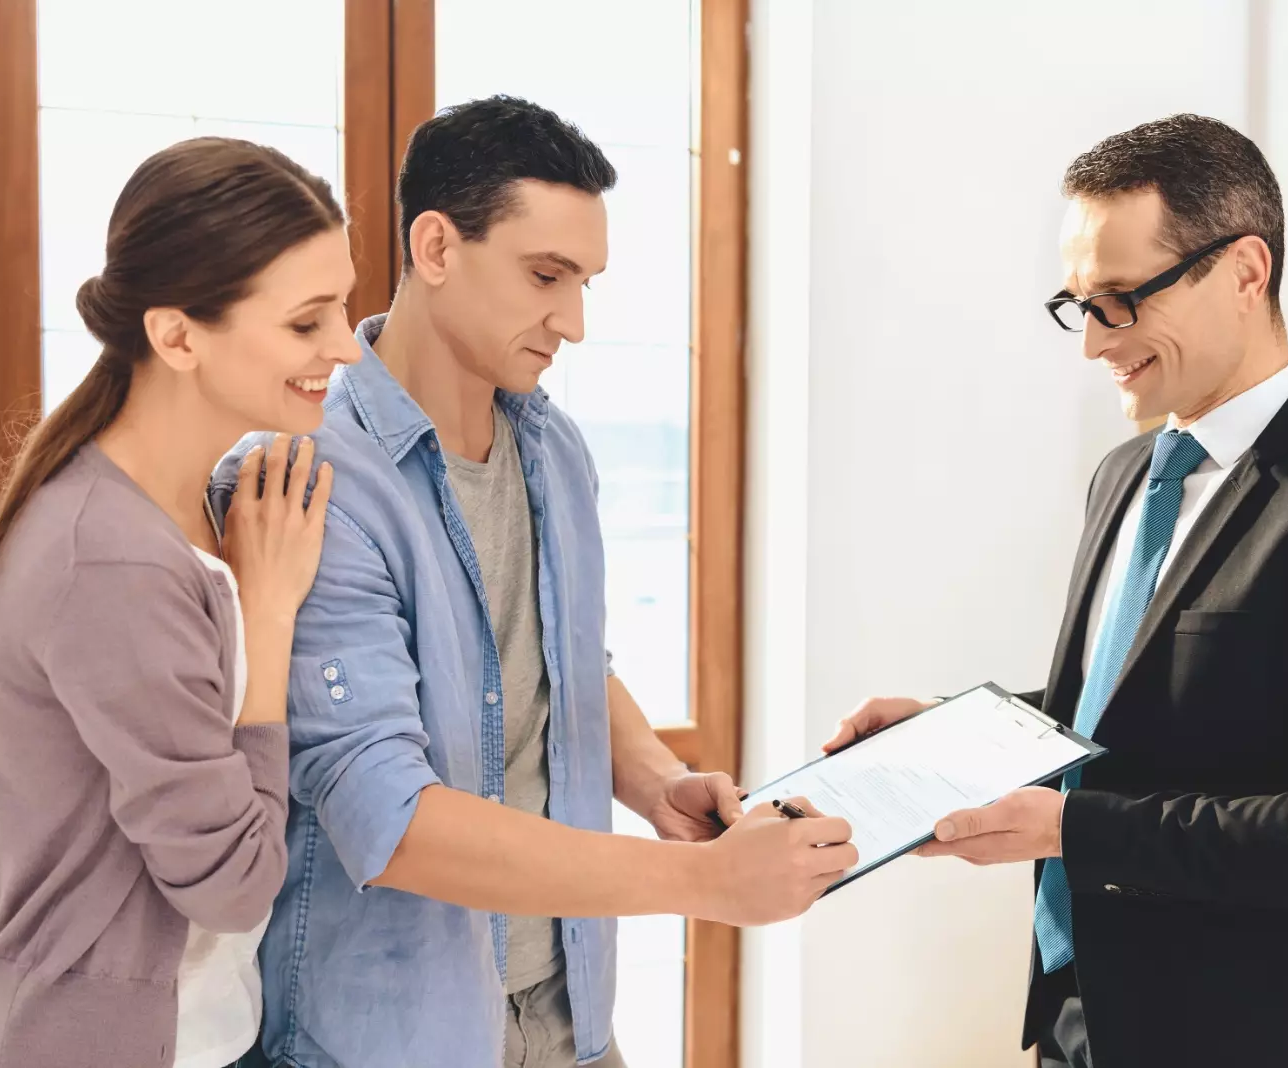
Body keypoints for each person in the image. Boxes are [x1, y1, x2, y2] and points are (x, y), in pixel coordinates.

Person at [208, 96, 853, 1068]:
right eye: (546, 276)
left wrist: (657, 780)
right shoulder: (312, 485)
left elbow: (566, 659)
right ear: (434, 246)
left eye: (585, 282)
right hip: (392, 1041)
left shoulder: (556, 452)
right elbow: (388, 819)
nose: (576, 322)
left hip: (567, 1020)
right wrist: (706, 886)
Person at [828, 114, 1288, 1068]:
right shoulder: (1126, 475)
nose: (1094, 345)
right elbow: (1135, 707)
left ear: (1247, 272)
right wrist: (955, 733)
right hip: (1081, 1020)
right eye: (1079, 304)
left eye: (1123, 300)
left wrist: (1074, 830)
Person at [0, 137, 361, 1068]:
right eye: (307, 323)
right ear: (175, 336)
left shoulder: (184, 515)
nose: (344, 347)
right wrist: (271, 613)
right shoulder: (110, 562)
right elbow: (234, 887)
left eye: (345, 308)